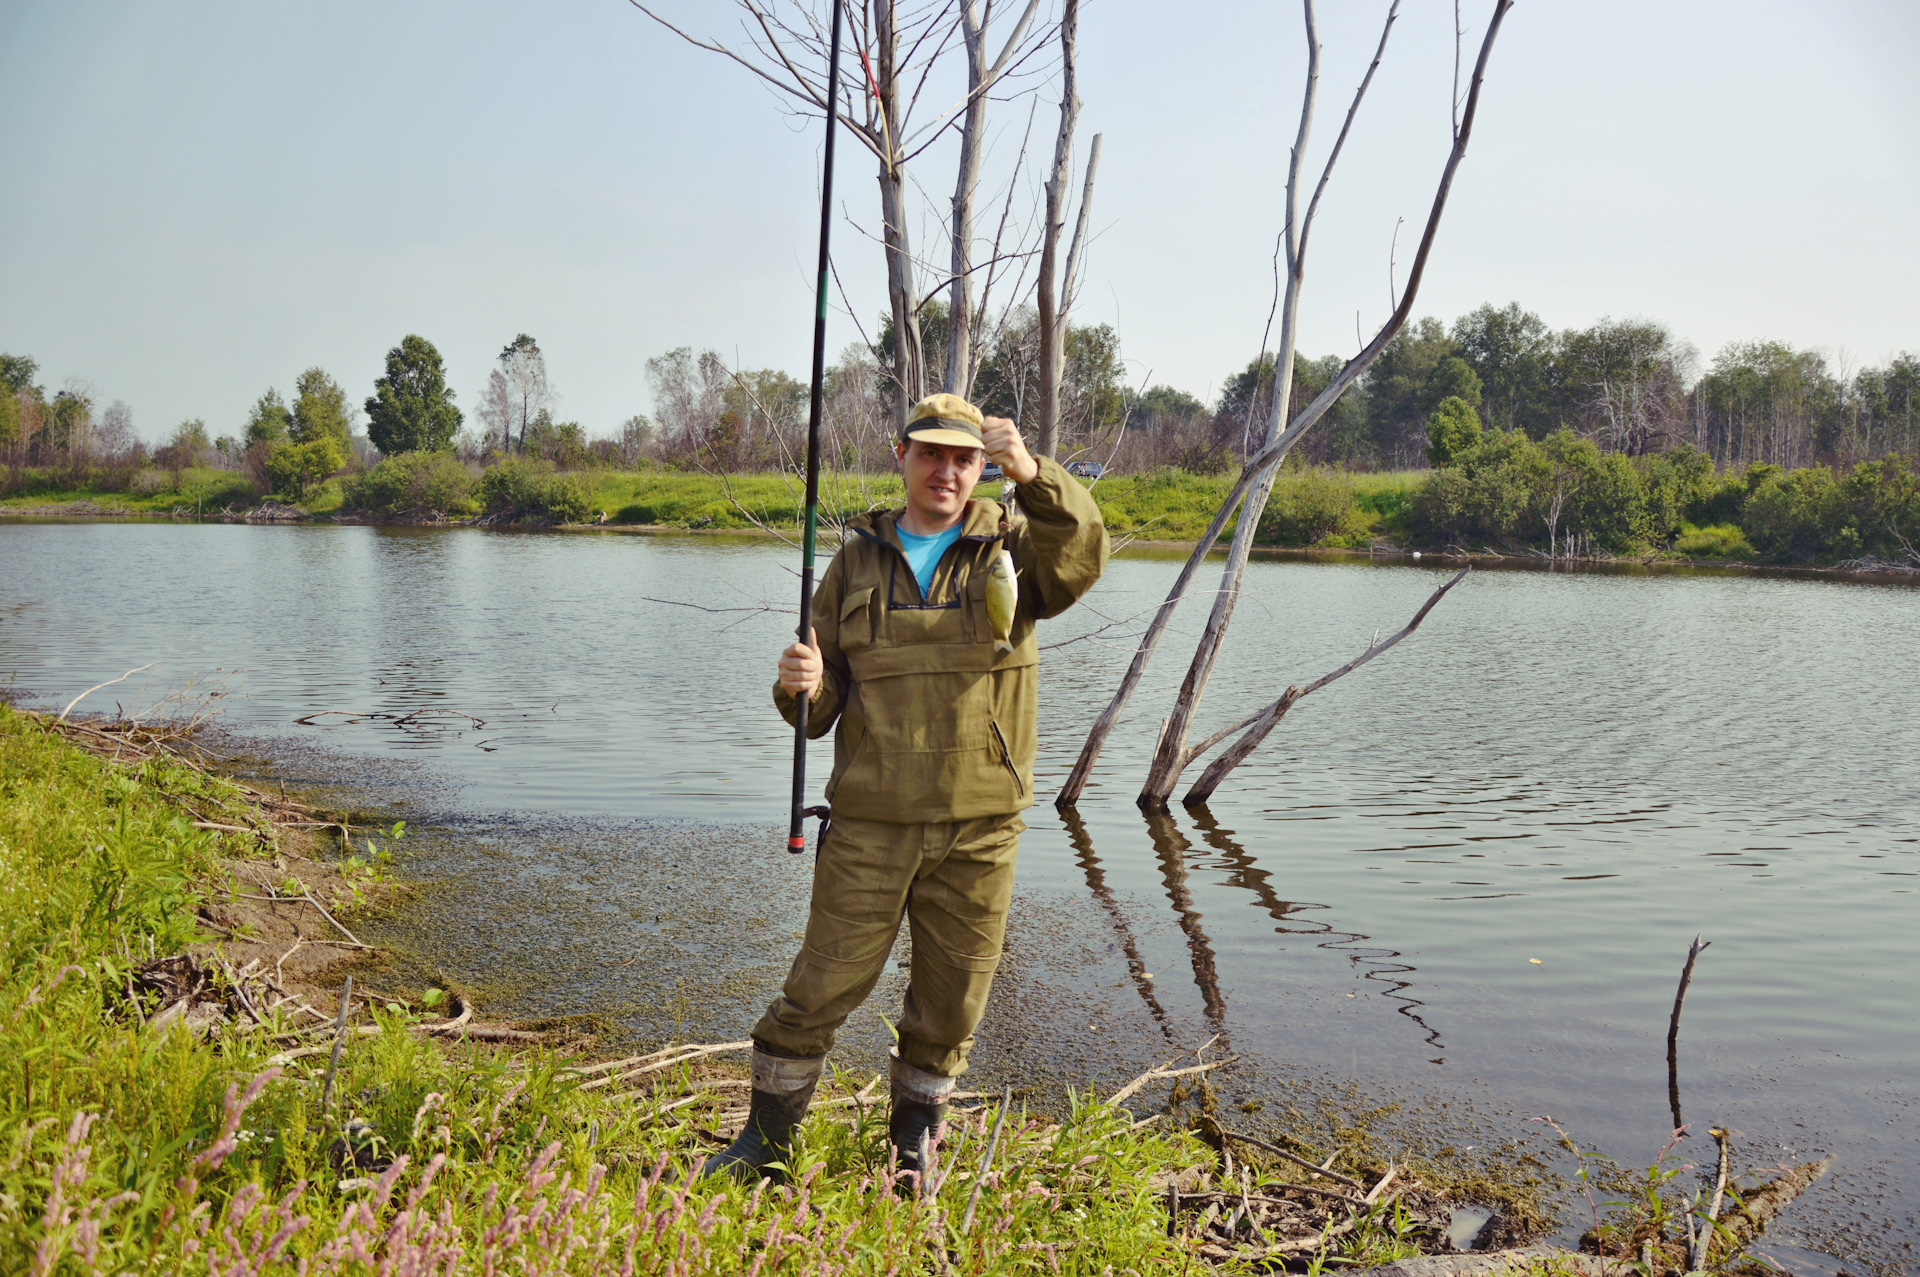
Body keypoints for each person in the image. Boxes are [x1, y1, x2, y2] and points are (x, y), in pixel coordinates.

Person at [704, 392, 1108, 1185]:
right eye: (931, 454)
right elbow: (817, 712)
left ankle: (911, 1147)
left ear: (981, 466)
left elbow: (1084, 553)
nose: (947, 472)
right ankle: (767, 1140)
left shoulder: (1013, 549)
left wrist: (1033, 474)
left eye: (964, 458)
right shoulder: (854, 560)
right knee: (818, 987)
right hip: (870, 823)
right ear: (902, 455)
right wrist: (800, 684)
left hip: (981, 824)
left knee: (952, 1003)